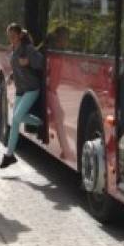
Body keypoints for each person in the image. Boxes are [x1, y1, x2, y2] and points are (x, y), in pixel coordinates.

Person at [0, 22, 44, 169]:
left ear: (19, 35)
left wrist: (29, 61)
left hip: (31, 88)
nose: (11, 38)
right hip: (20, 89)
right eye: (9, 36)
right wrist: (12, 75)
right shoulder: (13, 49)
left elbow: (41, 62)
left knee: (17, 117)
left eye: (13, 35)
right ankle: (9, 155)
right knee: (15, 121)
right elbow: (17, 65)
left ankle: (41, 124)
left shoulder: (27, 48)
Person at [45, 26, 74, 161]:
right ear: (59, 37)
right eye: (65, 38)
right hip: (49, 90)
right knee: (60, 115)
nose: (66, 41)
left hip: (52, 90)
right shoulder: (51, 51)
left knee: (58, 116)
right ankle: (66, 151)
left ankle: (63, 148)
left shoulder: (59, 51)